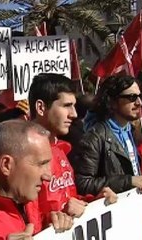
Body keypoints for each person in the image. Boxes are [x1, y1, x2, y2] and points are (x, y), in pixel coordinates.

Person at [27, 73, 117, 231]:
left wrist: (94, 200)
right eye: (66, 105)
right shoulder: (23, 153)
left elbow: (68, 199)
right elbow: (24, 222)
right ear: (41, 108)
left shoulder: (61, 149)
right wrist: (56, 218)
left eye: (74, 106)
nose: (74, 114)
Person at [75, 75, 142, 195]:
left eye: (139, 96)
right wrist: (127, 181)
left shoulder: (131, 130)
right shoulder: (95, 136)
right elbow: (83, 183)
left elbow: (132, 173)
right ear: (113, 102)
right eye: (132, 97)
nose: (139, 102)